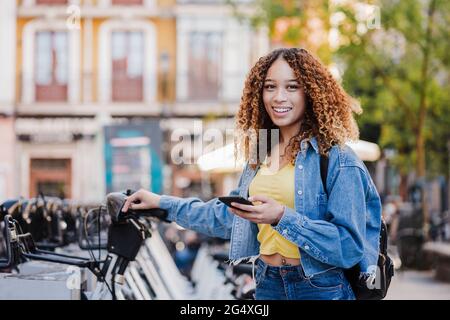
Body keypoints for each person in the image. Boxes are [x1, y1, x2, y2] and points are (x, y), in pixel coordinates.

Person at [122, 47, 382, 300]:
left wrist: (282, 217)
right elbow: (229, 218)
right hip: (268, 282)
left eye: (292, 87)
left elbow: (348, 247)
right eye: (270, 86)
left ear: (312, 93)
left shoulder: (337, 157)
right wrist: (161, 204)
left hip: (320, 288)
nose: (278, 97)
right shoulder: (262, 150)